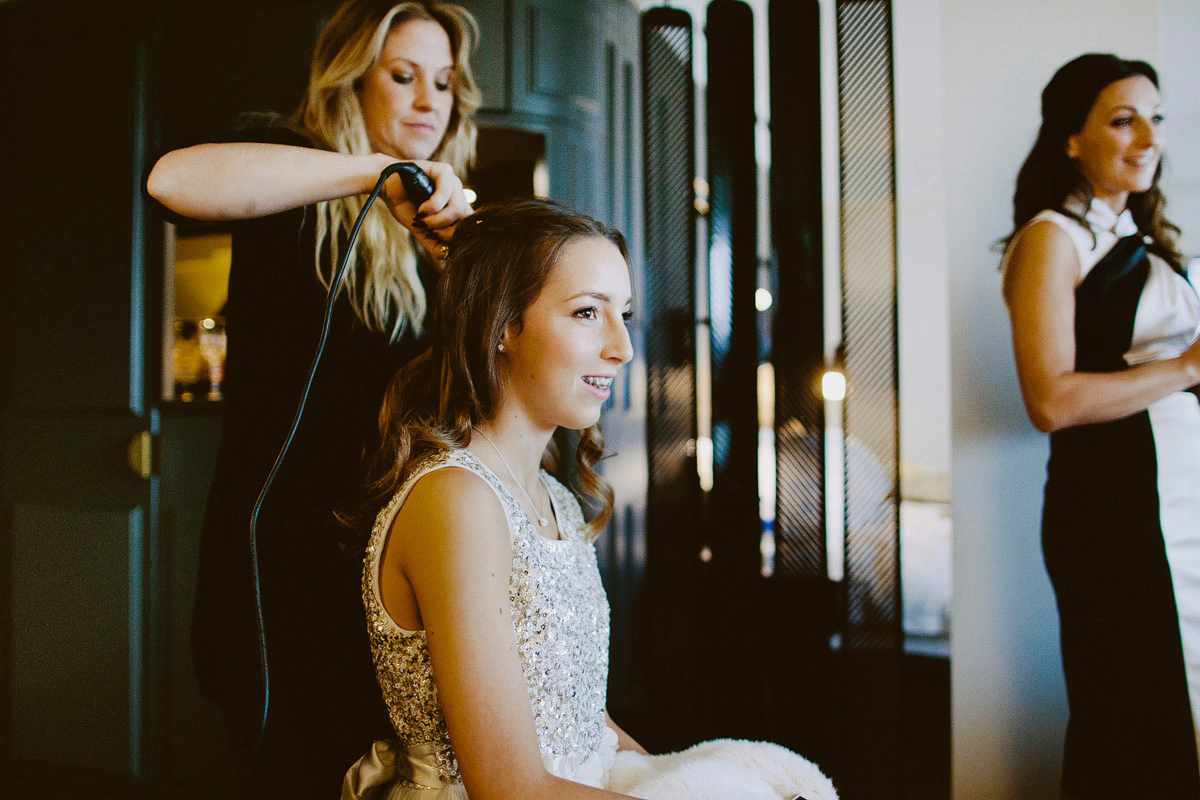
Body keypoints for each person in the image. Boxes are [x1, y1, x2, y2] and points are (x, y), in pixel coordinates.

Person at [342, 198, 839, 800]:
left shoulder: (556, 498)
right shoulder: (456, 501)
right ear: (501, 325)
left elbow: (582, 723)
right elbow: (509, 789)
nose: (623, 348)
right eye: (586, 313)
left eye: (623, 315)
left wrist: (684, 783)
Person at [145, 2, 480, 797]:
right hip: (278, 573)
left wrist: (458, 263)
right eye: (403, 77)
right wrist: (373, 173)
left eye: (444, 82)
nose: (430, 101)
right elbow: (169, 180)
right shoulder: (296, 175)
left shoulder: (443, 233)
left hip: (394, 578)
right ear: (351, 79)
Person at [1002, 53, 1200, 798]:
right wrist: (1187, 368)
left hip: (1175, 508)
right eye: (1122, 119)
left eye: (1156, 118)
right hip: (1117, 512)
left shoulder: (1138, 241)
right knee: (1132, 715)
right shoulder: (1053, 238)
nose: (1147, 136)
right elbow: (1049, 401)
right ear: (1071, 140)